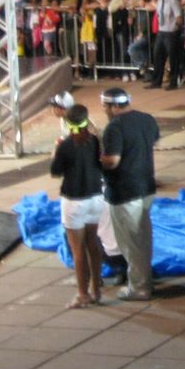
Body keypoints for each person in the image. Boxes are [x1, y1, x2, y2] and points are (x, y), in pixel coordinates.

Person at [100, 87, 160, 301]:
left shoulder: (114, 127)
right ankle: (144, 278)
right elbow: (153, 141)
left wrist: (95, 158)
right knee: (143, 237)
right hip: (146, 186)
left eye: (105, 106)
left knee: (131, 242)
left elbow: (113, 161)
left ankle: (139, 287)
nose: (105, 111)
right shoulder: (147, 119)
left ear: (114, 106)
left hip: (125, 191)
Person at [50, 104, 105, 309]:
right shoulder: (95, 141)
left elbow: (55, 171)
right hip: (95, 197)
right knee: (93, 244)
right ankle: (96, 290)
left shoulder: (65, 145)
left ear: (68, 122)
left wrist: (56, 151)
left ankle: (83, 294)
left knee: (78, 250)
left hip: (74, 200)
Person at [149, 0, 182, 89]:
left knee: (173, 58)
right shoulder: (159, 1)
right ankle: (156, 81)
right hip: (161, 31)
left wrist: (176, 29)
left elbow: (178, 16)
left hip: (171, 32)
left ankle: (173, 82)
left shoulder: (173, 1)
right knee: (157, 55)